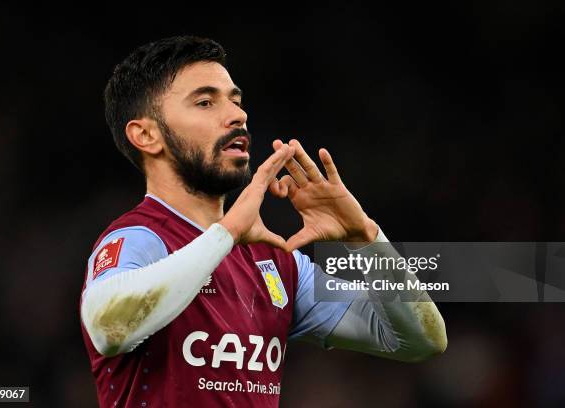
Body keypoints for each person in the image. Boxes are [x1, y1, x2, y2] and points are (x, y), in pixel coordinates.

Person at [79, 35, 447, 407]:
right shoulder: (139, 238)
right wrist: (225, 235)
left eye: (236, 101)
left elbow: (418, 340)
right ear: (146, 135)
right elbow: (110, 328)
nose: (238, 115)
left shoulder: (277, 262)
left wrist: (365, 238)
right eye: (205, 102)